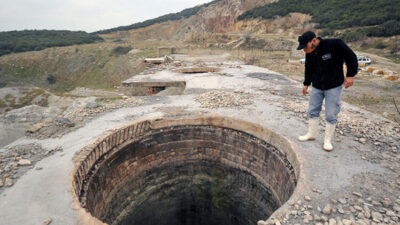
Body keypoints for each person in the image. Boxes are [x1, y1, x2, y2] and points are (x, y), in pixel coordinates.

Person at [297, 31, 358, 151]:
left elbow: (351, 57)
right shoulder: (310, 52)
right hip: (317, 86)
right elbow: (308, 68)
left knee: (331, 114)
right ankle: (311, 134)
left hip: (333, 86)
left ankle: (327, 140)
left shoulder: (335, 44)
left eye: (305, 46)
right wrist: (306, 84)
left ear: (313, 41)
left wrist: (350, 75)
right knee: (313, 110)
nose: (304, 49)